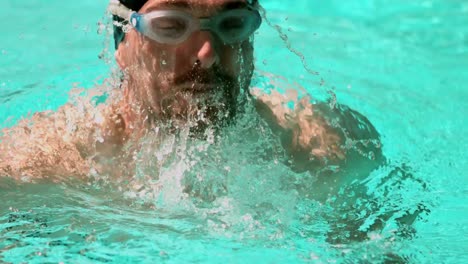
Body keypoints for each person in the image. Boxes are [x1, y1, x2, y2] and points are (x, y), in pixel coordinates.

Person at [0, 0, 382, 199]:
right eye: (170, 26)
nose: (207, 53)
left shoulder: (325, 149)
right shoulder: (45, 165)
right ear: (121, 42)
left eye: (232, 24)